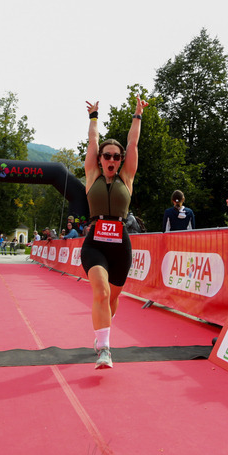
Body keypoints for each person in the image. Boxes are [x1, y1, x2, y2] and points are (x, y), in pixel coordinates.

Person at [81, 97, 147, 369]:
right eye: (106, 155)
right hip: (95, 243)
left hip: (120, 245)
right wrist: (94, 117)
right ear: (100, 159)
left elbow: (133, 144)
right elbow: (93, 141)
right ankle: (104, 349)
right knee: (102, 291)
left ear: (120, 161)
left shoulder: (126, 178)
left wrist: (137, 115)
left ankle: (103, 328)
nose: (111, 158)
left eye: (115, 156)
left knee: (113, 297)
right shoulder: (92, 175)